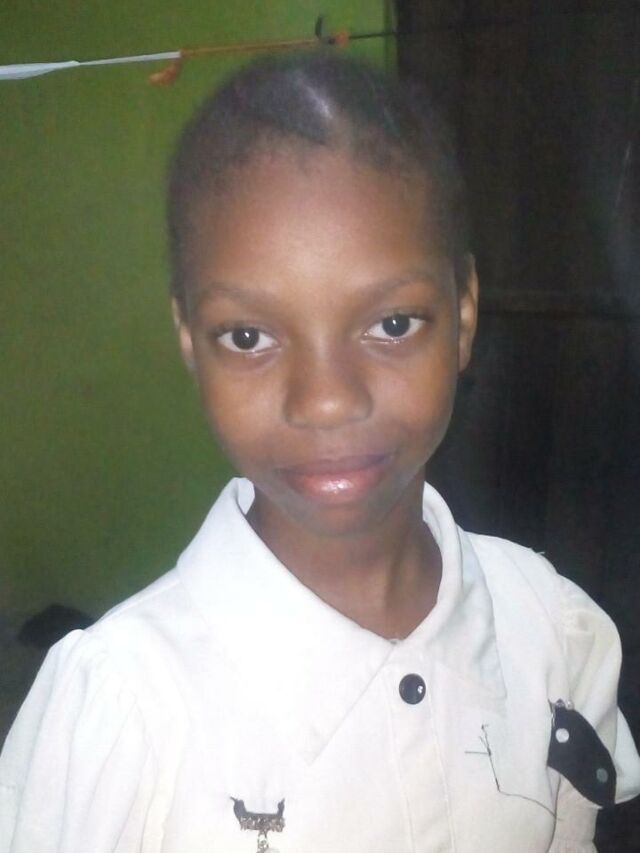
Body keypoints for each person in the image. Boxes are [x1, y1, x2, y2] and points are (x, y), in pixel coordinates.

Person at [1, 51, 639, 853]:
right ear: (190, 341)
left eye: (392, 324)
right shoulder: (125, 711)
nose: (327, 399)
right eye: (248, 336)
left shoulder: (552, 628)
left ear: (464, 313)